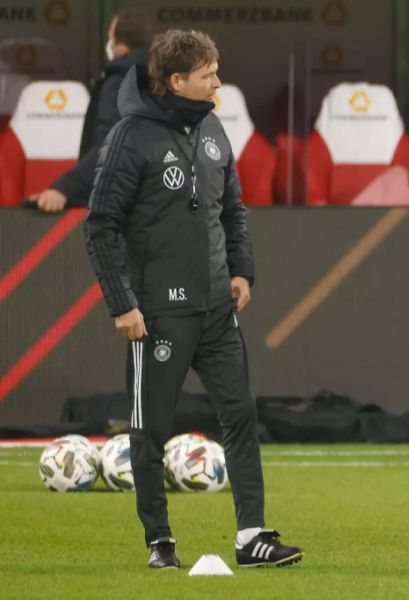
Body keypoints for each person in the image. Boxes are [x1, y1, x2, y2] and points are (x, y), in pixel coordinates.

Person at [84, 29, 303, 570]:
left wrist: (242, 271)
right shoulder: (129, 137)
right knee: (150, 426)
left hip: (215, 308)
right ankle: (160, 541)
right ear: (178, 80)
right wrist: (122, 304)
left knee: (240, 416)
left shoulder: (212, 127)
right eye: (209, 74)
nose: (218, 81)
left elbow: (233, 208)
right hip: (156, 312)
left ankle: (252, 536)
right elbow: (100, 225)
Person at [28, 8, 153, 213]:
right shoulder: (168, 80)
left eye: (110, 35)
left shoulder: (120, 82)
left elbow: (111, 147)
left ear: (118, 41)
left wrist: (65, 188)